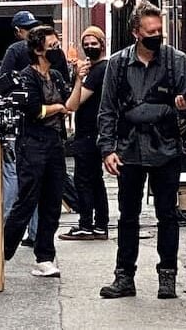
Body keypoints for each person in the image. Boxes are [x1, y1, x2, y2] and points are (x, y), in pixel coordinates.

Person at [96, 1, 186, 300]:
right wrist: (107, 149)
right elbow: (107, 109)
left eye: (160, 31)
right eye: (151, 31)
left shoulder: (176, 61)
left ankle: (168, 277)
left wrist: (184, 106)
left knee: (167, 215)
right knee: (128, 216)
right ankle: (124, 277)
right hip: (128, 150)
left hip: (165, 148)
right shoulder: (117, 64)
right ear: (135, 32)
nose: (157, 35)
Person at [3, 25, 71, 277]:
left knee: (53, 202)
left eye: (57, 45)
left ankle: (45, 256)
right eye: (52, 46)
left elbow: (70, 103)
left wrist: (80, 80)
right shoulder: (26, 76)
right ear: (38, 50)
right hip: (32, 143)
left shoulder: (56, 76)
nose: (57, 50)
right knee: (27, 200)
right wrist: (56, 107)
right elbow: (34, 110)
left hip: (54, 142)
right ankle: (2, 253)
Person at [59, 26, 109, 241]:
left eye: (93, 44)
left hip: (89, 133)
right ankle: (100, 225)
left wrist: (79, 79)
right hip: (95, 132)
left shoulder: (97, 72)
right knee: (96, 180)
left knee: (84, 180)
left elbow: (75, 102)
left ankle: (86, 224)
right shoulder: (101, 69)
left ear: (102, 44)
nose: (89, 48)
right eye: (86, 44)